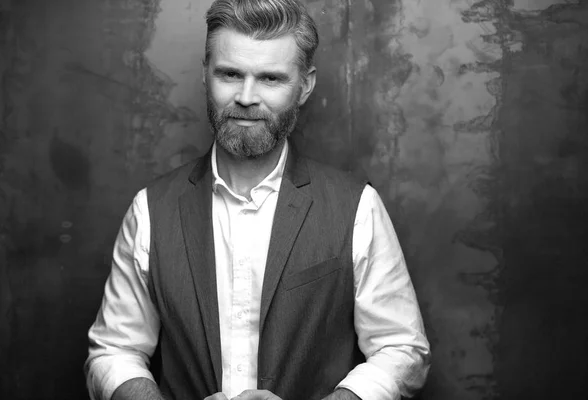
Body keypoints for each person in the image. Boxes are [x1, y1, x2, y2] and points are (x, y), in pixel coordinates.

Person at [84, 1, 431, 399]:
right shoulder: (150, 209)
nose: (246, 97)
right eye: (230, 74)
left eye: (270, 78)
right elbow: (114, 351)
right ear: (205, 74)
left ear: (305, 85)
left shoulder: (358, 208)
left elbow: (401, 348)